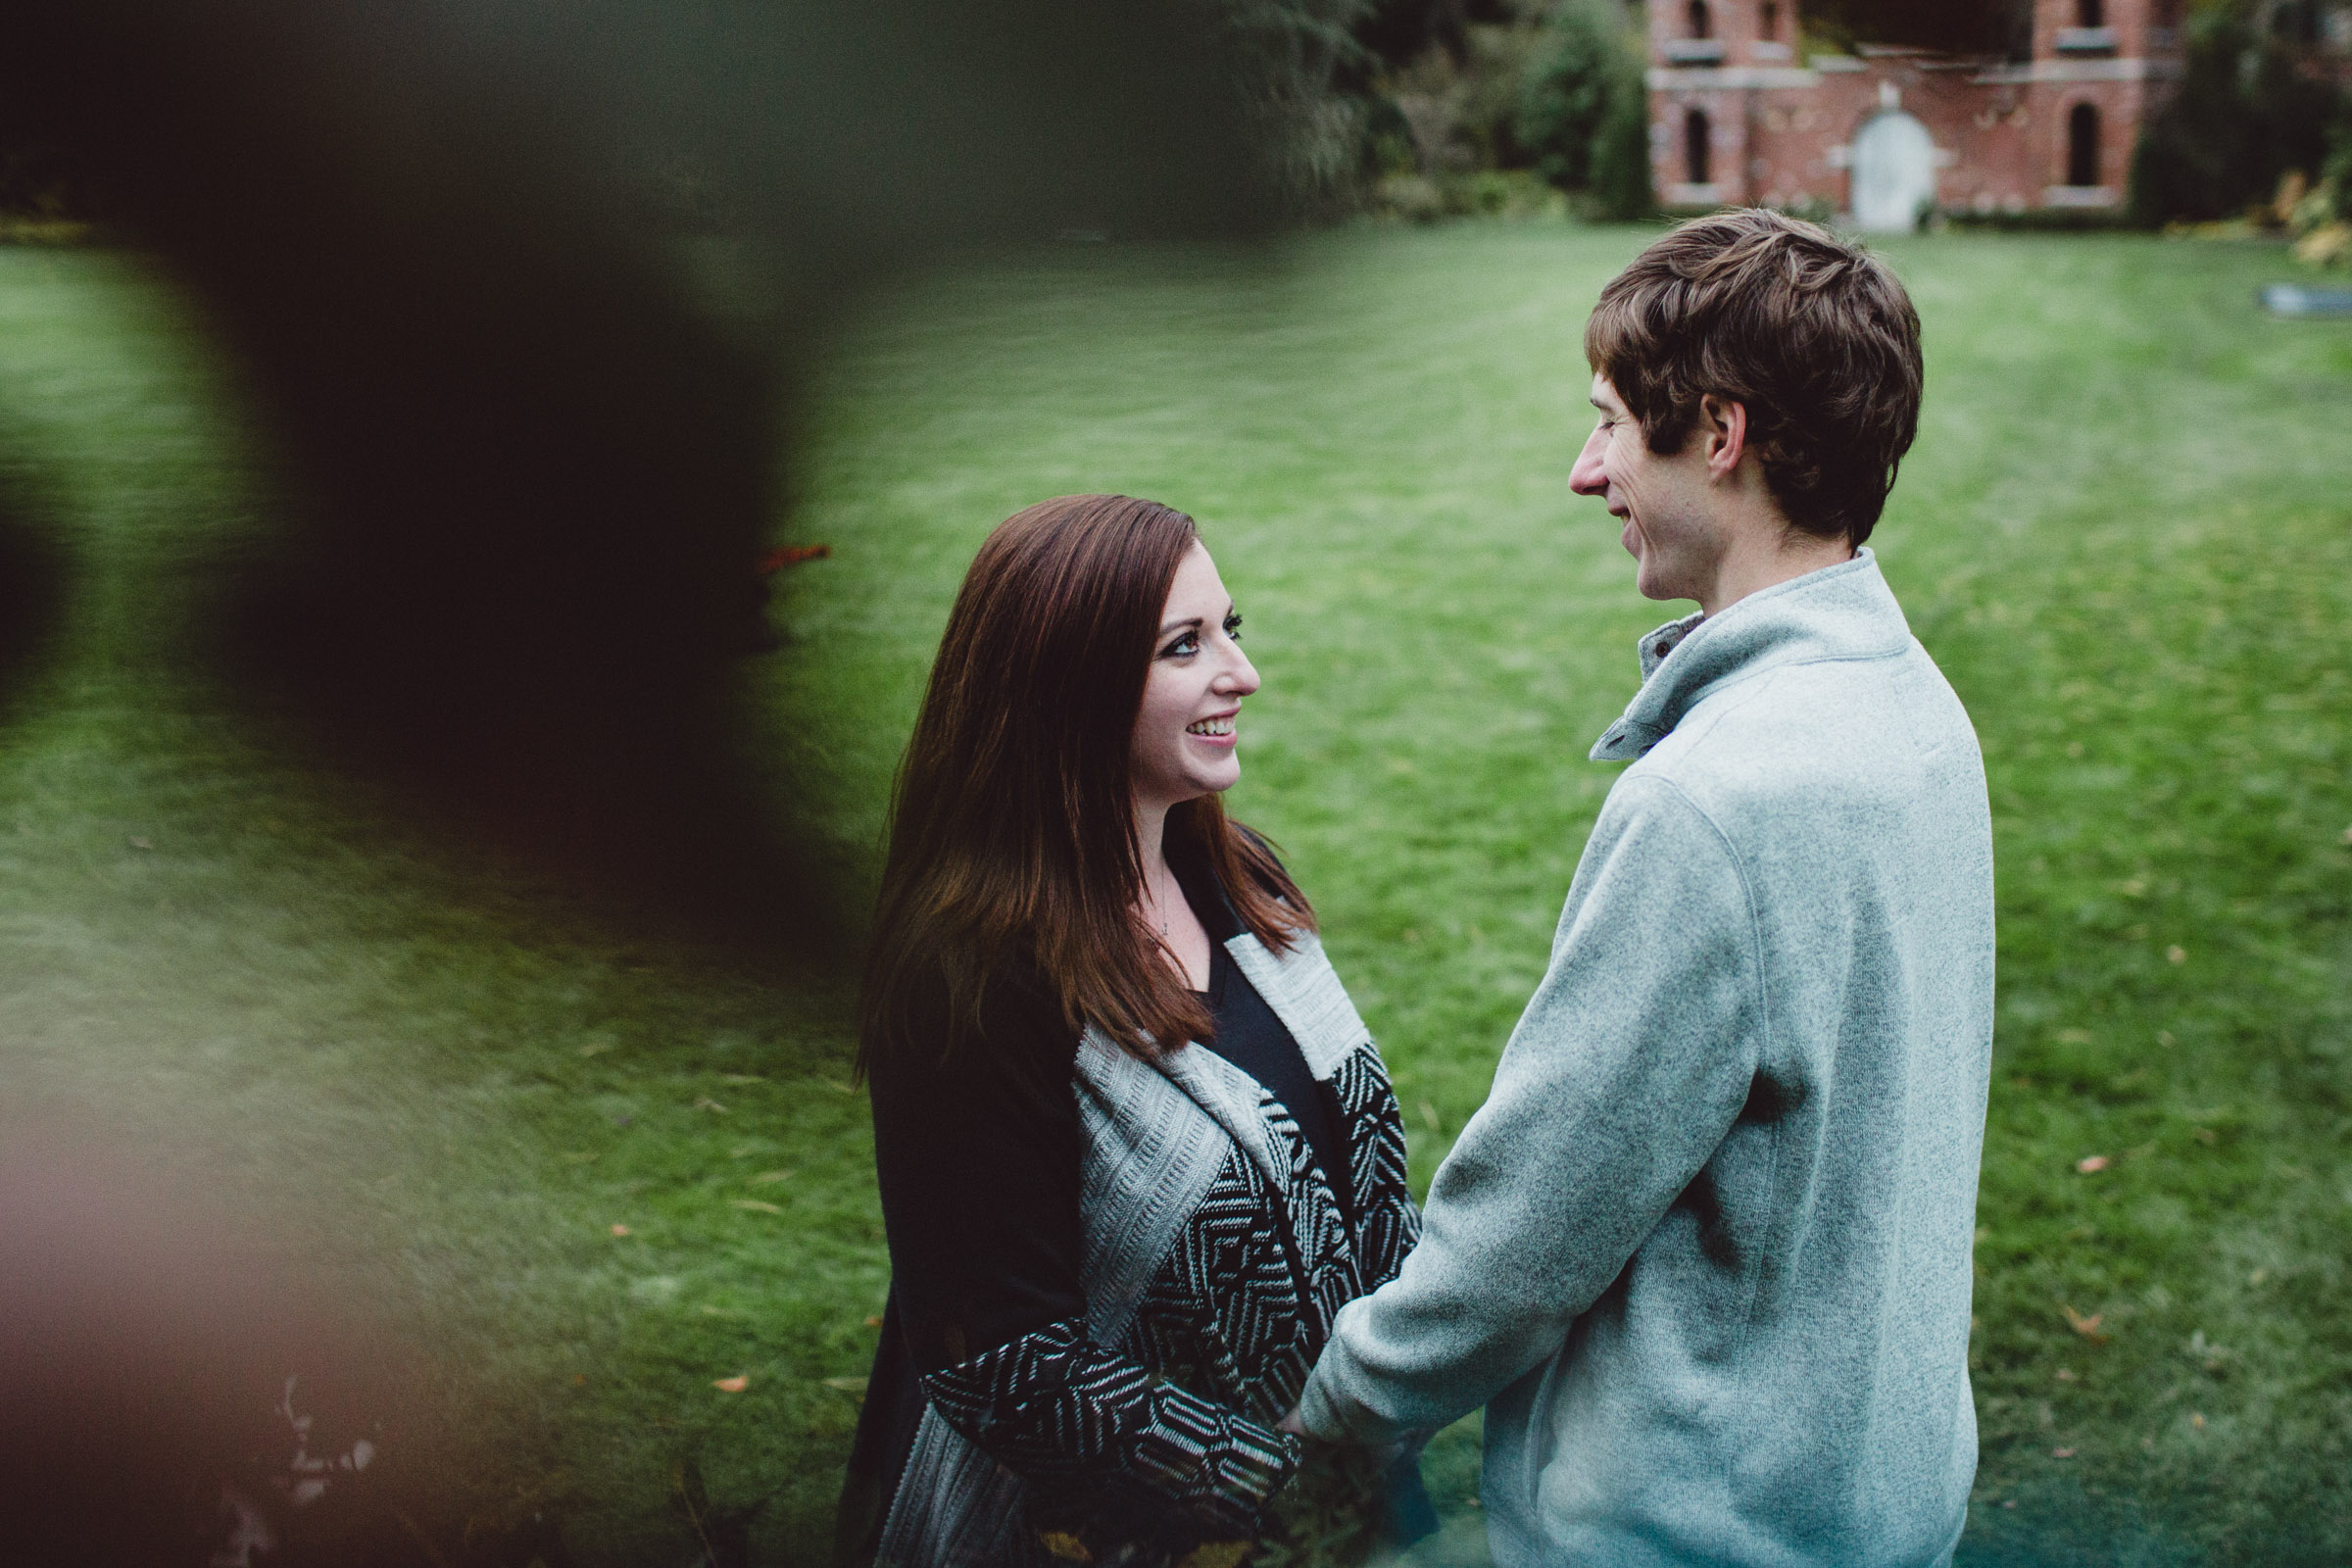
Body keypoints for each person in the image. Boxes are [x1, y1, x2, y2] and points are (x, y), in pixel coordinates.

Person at [1289, 209, 1996, 1566]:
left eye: (1611, 421)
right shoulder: (1918, 711)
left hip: (1699, 1530)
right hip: (1877, 1502)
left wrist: (1339, 1410)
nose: (1583, 469)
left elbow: (1527, 1236)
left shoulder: (1714, 804)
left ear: (1719, 435)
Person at [835, 495, 1430, 1568]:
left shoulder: (1238, 877)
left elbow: (1354, 1170)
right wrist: (1275, 1475)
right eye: (1184, 646)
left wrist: (1424, 1348)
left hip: (1349, 1496)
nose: (1241, 674)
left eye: (1229, 630)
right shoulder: (968, 978)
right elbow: (1002, 1362)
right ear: (1072, 689)